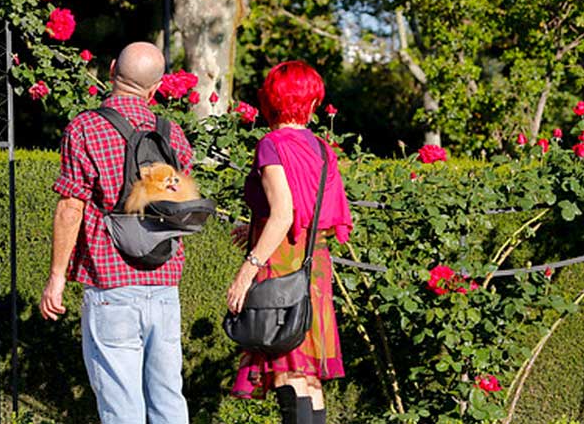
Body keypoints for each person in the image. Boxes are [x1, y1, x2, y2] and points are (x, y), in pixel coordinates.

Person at [39, 42, 193, 424]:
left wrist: (57, 277)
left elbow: (71, 207)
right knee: (169, 400)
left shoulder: (85, 128)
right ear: (156, 88)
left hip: (111, 287)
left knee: (121, 409)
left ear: (111, 71)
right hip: (164, 285)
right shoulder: (172, 135)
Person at [226, 61, 354, 424]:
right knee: (309, 377)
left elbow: (284, 214)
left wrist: (245, 273)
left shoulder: (272, 145)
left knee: (287, 368)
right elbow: (317, 214)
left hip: (281, 267)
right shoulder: (323, 148)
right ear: (311, 103)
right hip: (314, 266)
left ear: (272, 100)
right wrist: (257, 227)